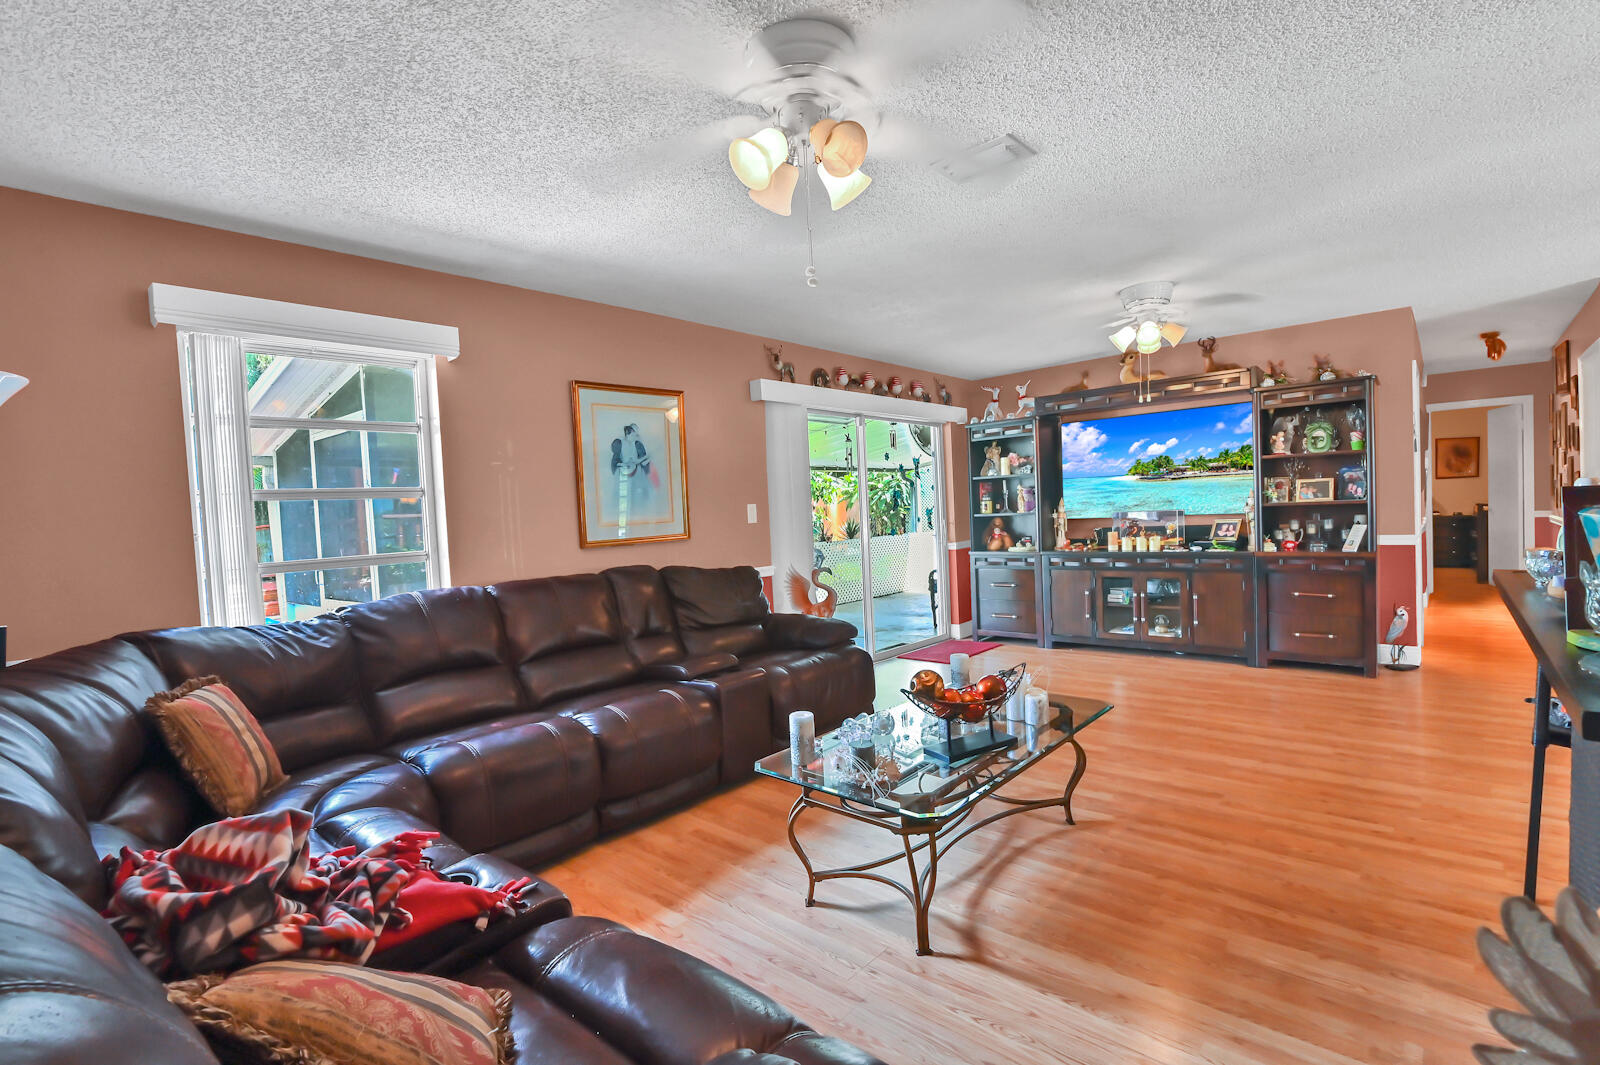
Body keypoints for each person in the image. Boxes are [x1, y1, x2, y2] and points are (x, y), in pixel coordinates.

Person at [610, 424, 656, 527]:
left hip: (637, 473)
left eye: (637, 435)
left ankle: (639, 520)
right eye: (634, 434)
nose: (636, 437)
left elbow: (643, 462)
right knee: (623, 498)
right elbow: (615, 461)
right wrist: (623, 464)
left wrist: (646, 461)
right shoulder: (619, 443)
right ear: (627, 433)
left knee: (639, 496)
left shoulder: (637, 444)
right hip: (623, 475)